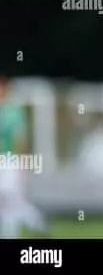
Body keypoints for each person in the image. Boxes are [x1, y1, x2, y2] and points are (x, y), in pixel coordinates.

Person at [0, 76, 48, 238]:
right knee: (10, 200)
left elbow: (20, 139)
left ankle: (30, 225)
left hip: (10, 160)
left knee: (9, 198)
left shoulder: (13, 112)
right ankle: (36, 223)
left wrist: (23, 163)